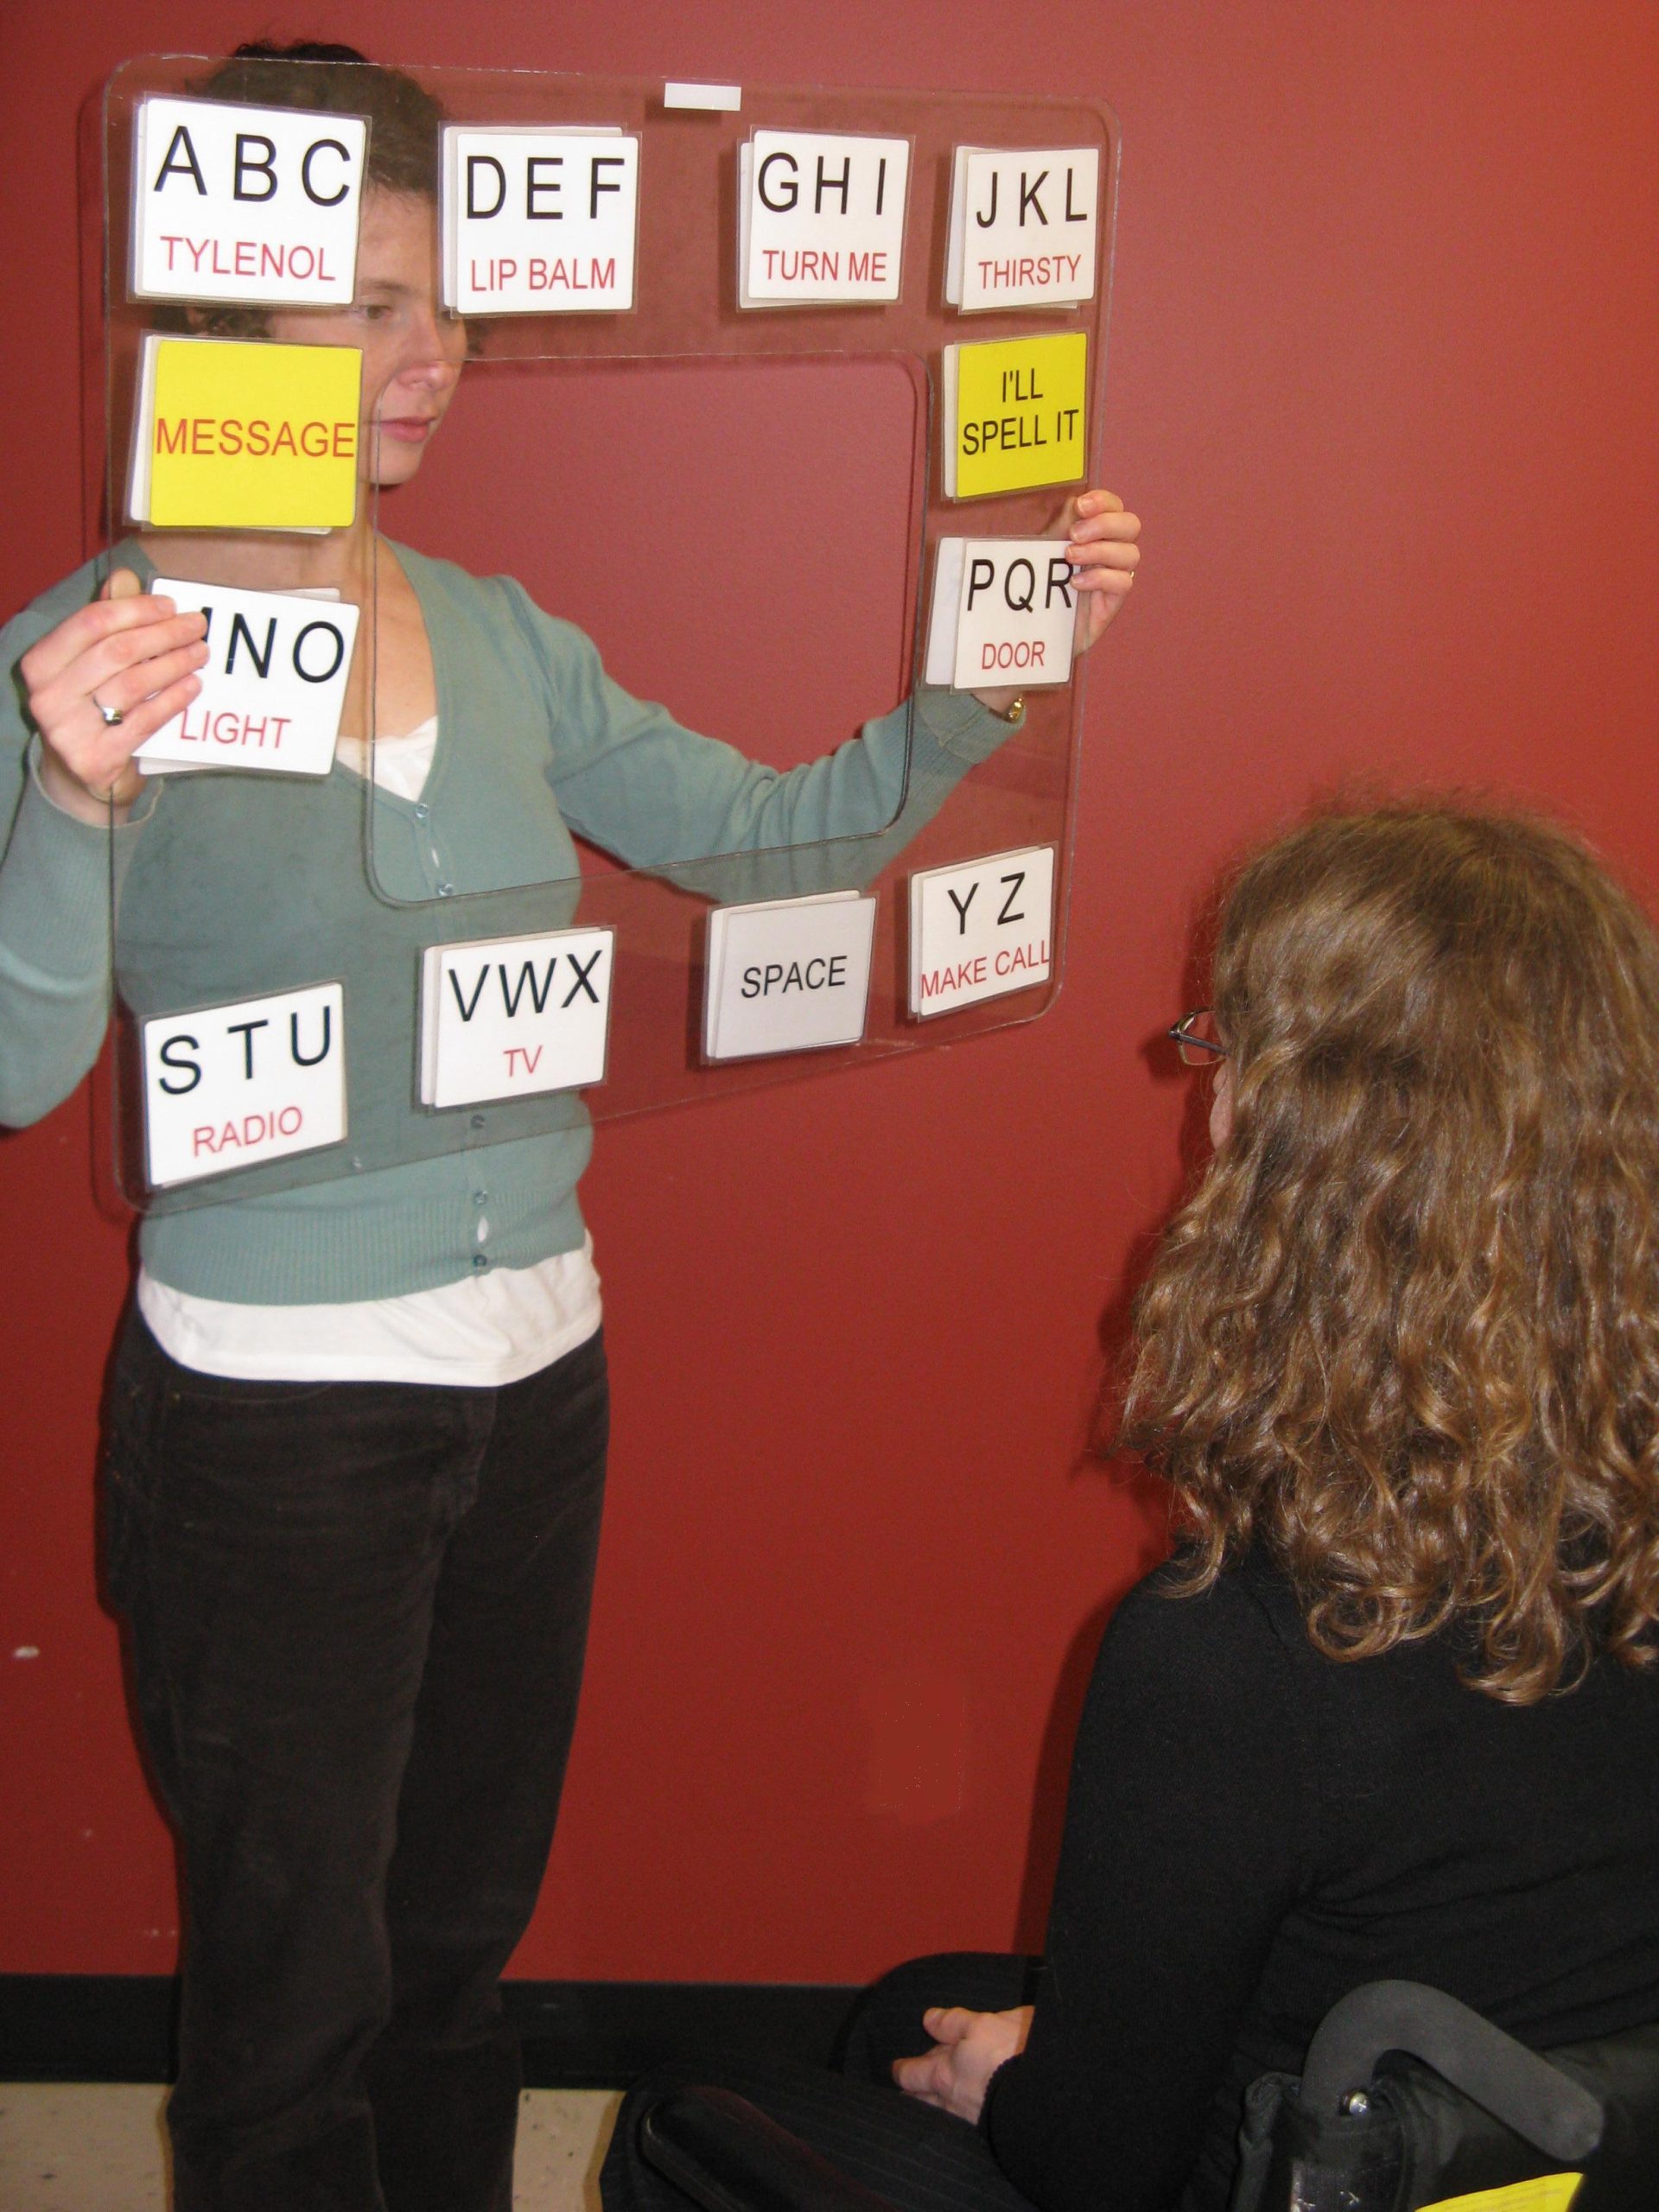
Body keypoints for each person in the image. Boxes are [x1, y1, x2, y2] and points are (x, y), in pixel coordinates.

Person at [0, 41, 1141, 2212]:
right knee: (285, 2002)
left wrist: (1007, 657)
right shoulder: (97, 652)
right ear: (224, 309)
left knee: (452, 1963)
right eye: (365, 300)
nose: (434, 356)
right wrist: (67, 802)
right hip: (273, 1419)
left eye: (448, 302)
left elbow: (758, 833)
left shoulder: (504, 638)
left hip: (539, 1376)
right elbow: (17, 1060)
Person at [602, 803, 1659, 2212]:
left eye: (1220, 1050)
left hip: (1304, 2173)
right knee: (911, 2007)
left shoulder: (1240, 1654)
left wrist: (1019, 2084)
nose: (1203, 1090)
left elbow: (1098, 2169)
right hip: (1555, 2143)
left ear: (1306, 1157)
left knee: (678, 2122)